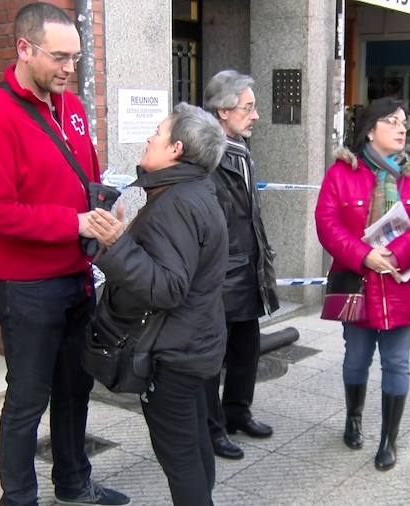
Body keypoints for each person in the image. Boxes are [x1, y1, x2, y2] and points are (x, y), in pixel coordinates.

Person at [0, 3, 128, 505]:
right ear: (24, 49)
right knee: (28, 399)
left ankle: (74, 483)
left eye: (75, 58)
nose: (69, 69)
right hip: (25, 286)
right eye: (59, 57)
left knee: (75, 389)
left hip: (76, 274)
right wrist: (72, 223)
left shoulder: (71, 108)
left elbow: (85, 182)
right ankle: (18, 498)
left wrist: (101, 217)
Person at [85, 103, 228, 506]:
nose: (150, 137)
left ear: (176, 149)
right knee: (195, 443)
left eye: (158, 131)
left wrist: (116, 244)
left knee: (180, 457)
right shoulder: (190, 190)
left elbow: (167, 288)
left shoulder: (176, 202)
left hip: (174, 354)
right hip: (194, 344)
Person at [314, 97, 410, 471]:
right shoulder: (342, 172)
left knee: (397, 363)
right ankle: (353, 418)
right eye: (392, 121)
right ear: (371, 129)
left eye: (404, 122)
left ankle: (389, 439)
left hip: (404, 284)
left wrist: (396, 255)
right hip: (357, 283)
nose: (402, 128)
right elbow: (327, 223)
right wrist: (363, 255)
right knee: (356, 359)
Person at [201, 70, 280, 460]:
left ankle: (237, 412)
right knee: (213, 358)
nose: (255, 116)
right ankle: (213, 429)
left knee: (247, 349)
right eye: (248, 108)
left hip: (248, 270)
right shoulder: (208, 155)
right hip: (221, 275)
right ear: (222, 111)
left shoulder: (240, 150)